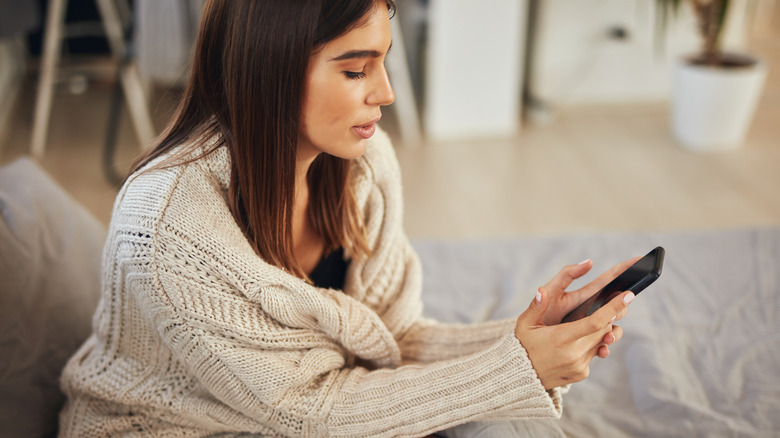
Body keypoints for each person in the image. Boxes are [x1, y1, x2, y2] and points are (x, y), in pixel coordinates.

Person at [58, 0, 636, 436]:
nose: (383, 94)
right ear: (270, 69)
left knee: (520, 423)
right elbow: (309, 411)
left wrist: (524, 338)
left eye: (383, 62)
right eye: (356, 70)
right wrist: (514, 370)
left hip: (302, 412)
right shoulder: (166, 228)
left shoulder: (364, 164)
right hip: (174, 426)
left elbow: (395, 337)